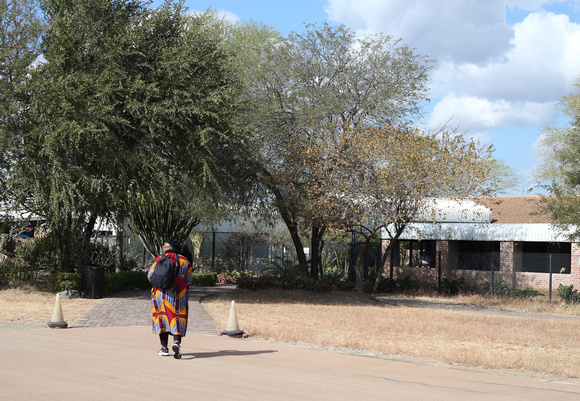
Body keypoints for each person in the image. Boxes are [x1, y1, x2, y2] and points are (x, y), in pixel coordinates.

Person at [147, 238, 192, 358]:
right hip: (179, 294)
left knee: (162, 319)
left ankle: (164, 348)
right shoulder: (185, 261)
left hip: (161, 294)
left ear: (170, 247)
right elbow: (188, 280)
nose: (163, 249)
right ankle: (176, 343)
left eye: (165, 247)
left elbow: (150, 275)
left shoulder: (160, 259)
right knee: (177, 318)